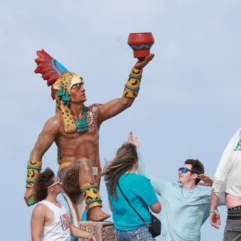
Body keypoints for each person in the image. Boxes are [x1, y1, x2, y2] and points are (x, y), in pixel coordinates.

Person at [23, 49, 156, 224]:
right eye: (77, 87)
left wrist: (137, 70)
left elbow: (125, 101)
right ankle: (95, 209)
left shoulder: (94, 113)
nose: (83, 89)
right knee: (84, 163)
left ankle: (83, 230)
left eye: (82, 85)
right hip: (69, 175)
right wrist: (30, 186)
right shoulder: (56, 122)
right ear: (67, 93)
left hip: (93, 175)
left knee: (83, 226)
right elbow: (36, 153)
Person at [128, 132, 214, 241]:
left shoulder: (205, 195)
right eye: (180, 169)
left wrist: (213, 184)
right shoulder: (168, 188)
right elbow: (146, 177)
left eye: (184, 170)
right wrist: (136, 150)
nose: (180, 171)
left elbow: (230, 195)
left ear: (194, 176)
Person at [102, 141, 162, 241]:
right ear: (135, 160)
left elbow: (112, 207)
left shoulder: (111, 181)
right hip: (139, 229)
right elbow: (157, 208)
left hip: (121, 231)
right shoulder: (140, 181)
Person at [30, 168, 96, 241]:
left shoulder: (60, 205)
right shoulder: (41, 209)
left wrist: (88, 235)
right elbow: (35, 238)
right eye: (57, 182)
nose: (61, 183)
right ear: (51, 189)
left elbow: (68, 227)